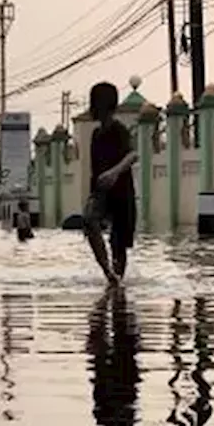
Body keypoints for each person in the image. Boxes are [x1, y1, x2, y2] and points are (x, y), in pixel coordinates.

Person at [83, 81, 138, 284]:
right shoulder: (96, 135)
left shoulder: (119, 130)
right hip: (101, 193)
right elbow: (94, 169)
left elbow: (133, 155)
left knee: (118, 243)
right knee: (89, 220)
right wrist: (92, 194)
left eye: (94, 103)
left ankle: (117, 282)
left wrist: (114, 173)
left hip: (122, 192)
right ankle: (108, 271)